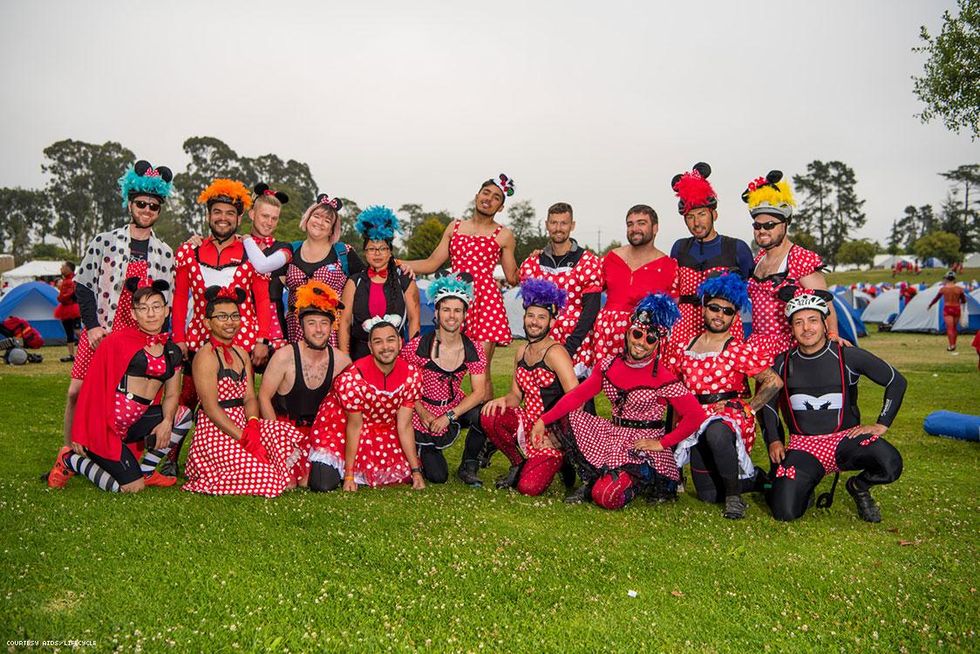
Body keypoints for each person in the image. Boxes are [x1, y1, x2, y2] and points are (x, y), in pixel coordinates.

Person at [532, 293, 706, 509]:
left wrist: (662, 443)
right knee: (568, 416)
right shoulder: (608, 366)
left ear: (658, 344)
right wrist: (543, 420)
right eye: (637, 334)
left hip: (642, 446)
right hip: (614, 435)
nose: (641, 343)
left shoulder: (663, 377)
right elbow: (576, 397)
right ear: (628, 332)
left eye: (650, 339)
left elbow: (696, 416)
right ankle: (593, 478)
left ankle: (642, 479)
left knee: (605, 496)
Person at [58, 160, 175, 461]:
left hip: (138, 336)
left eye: (153, 206)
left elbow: (167, 300)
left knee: (134, 398)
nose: (146, 210)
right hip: (102, 330)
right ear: (130, 203)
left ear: (159, 210)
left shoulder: (164, 253)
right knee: (76, 392)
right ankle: (68, 454)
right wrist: (92, 326)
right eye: (141, 204)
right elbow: (84, 285)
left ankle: (128, 456)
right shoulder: (104, 241)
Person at [762, 293, 907, 523]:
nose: (806, 328)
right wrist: (774, 440)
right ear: (791, 328)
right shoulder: (781, 362)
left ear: (824, 324)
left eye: (813, 320)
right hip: (804, 446)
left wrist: (882, 424)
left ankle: (858, 486)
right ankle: (805, 486)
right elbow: (767, 404)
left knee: (890, 464)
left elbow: (895, 381)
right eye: (799, 322)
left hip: (846, 440)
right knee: (784, 512)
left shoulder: (847, 355)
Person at [46, 281, 192, 492]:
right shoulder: (117, 342)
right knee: (132, 488)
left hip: (135, 424)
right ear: (133, 314)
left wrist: (167, 422)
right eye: (143, 308)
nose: (151, 314)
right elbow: (92, 388)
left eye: (156, 306)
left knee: (183, 416)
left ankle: (147, 471)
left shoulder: (172, 352)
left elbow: (172, 394)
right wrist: (81, 431)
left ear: (166, 310)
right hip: (105, 428)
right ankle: (71, 460)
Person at [665, 273, 782, 519]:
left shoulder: (737, 349)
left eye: (727, 311)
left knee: (716, 431)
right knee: (708, 495)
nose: (719, 315)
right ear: (703, 308)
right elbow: (677, 393)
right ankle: (756, 479)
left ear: (735, 316)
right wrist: (676, 432)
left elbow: (774, 381)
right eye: (714, 308)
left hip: (727, 417)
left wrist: (749, 408)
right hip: (695, 418)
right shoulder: (685, 347)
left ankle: (734, 499)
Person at [402, 174, 521, 399]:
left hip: (486, 305)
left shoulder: (504, 235)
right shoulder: (454, 227)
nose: (489, 199)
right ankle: (442, 408)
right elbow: (432, 263)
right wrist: (396, 262)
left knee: (481, 371)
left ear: (501, 207)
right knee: (443, 365)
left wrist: (534, 262)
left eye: (496, 197)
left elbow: (513, 278)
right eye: (486, 193)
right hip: (456, 301)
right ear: (477, 195)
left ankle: (483, 420)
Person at [182, 287, 306, 497]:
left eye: (234, 316)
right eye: (222, 317)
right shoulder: (205, 356)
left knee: (281, 431)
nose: (230, 322)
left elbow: (249, 397)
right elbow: (211, 408)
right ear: (207, 323)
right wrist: (245, 439)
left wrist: (253, 424)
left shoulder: (241, 353)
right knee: (267, 478)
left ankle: (274, 469)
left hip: (243, 423)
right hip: (216, 431)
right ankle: (212, 470)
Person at [481, 279, 580, 496]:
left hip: (553, 432)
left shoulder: (556, 353)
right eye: (530, 316)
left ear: (552, 322)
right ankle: (517, 463)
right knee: (490, 415)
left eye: (541, 317)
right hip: (529, 422)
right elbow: (516, 396)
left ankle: (563, 460)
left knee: (528, 488)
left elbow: (576, 398)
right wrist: (501, 401)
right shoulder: (521, 351)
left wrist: (557, 433)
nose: (534, 322)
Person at [306, 320, 426, 492]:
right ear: (370, 347)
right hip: (343, 428)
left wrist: (416, 471)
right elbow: (354, 426)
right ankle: (339, 470)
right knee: (322, 484)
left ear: (400, 343)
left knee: (400, 475)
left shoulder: (411, 375)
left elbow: (404, 425)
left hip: (382, 430)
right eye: (378, 342)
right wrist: (349, 475)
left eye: (390, 340)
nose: (385, 347)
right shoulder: (354, 378)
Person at [742, 170, 848, 358]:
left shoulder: (800, 258)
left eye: (769, 225)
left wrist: (832, 335)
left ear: (785, 224)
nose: (762, 230)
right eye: (757, 226)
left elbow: (825, 303)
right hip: (758, 346)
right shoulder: (758, 259)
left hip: (790, 349)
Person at [258, 280, 351, 488]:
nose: (318, 330)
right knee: (290, 483)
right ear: (301, 326)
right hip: (285, 430)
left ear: (332, 326)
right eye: (311, 323)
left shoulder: (342, 362)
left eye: (324, 323)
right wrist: (276, 439)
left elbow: (351, 406)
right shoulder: (284, 357)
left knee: (309, 480)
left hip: (321, 433)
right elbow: (263, 397)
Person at [400, 272, 488, 486]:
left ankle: (469, 464)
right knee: (438, 476)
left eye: (457, 310)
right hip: (421, 410)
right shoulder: (418, 346)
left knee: (483, 415)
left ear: (465, 314)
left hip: (452, 406)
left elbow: (479, 392)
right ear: (437, 312)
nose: (451, 316)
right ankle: (420, 450)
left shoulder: (473, 348)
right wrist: (423, 412)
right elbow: (403, 385)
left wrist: (448, 416)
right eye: (446, 309)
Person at [578, 205, 677, 371]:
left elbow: (674, 311)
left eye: (641, 223)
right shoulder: (611, 258)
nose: (634, 228)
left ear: (655, 228)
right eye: (630, 224)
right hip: (608, 336)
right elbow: (583, 285)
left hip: (643, 340)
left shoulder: (669, 266)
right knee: (607, 382)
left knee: (641, 384)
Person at [668, 163, 754, 345]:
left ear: (714, 215)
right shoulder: (679, 248)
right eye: (690, 217)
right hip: (684, 330)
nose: (696, 223)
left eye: (701, 214)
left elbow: (752, 291)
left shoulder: (737, 248)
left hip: (723, 328)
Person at [517, 202, 602, 371]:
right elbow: (529, 309)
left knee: (576, 387)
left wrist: (571, 346)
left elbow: (591, 310)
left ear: (572, 225)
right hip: (542, 345)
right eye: (554, 223)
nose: (558, 228)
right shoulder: (533, 263)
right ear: (547, 225)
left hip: (577, 345)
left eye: (563, 223)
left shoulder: (588, 262)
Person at [280, 194, 365, 345]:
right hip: (294, 332)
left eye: (327, 221)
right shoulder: (290, 250)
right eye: (316, 216)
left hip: (332, 335)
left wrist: (398, 266)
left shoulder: (344, 252)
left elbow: (367, 281)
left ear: (332, 230)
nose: (320, 222)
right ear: (307, 219)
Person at [339, 205, 420, 360]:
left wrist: (412, 357)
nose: (377, 253)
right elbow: (345, 322)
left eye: (382, 248)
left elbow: (414, 319)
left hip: (395, 355)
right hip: (360, 355)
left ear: (390, 252)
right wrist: (345, 357)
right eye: (371, 249)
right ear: (365, 252)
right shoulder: (354, 282)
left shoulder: (404, 279)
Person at [928, 271, 967, 352]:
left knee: (949, 328)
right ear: (954, 279)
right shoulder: (959, 289)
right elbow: (963, 300)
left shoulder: (943, 289)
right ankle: (954, 344)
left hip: (948, 309)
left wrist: (930, 305)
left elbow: (936, 298)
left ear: (946, 279)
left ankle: (951, 345)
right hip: (956, 308)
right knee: (954, 328)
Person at [54, 261, 81, 363]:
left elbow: (65, 296)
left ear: (69, 268)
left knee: (75, 331)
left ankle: (79, 352)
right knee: (71, 332)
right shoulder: (68, 280)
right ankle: (72, 354)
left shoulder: (70, 281)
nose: (61, 268)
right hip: (67, 309)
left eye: (63, 267)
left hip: (71, 308)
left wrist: (60, 298)